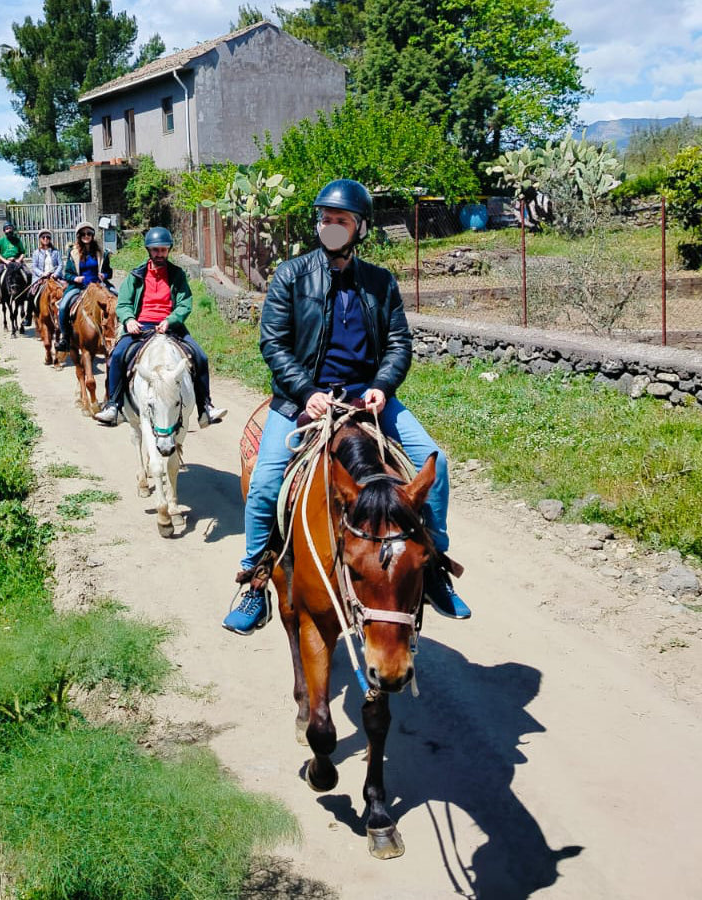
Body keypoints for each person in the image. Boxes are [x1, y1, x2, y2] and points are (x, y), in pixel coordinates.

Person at [221, 178, 470, 636]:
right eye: (325, 219)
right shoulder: (290, 276)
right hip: (304, 400)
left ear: (360, 227)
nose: (330, 226)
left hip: (368, 399)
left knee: (437, 464)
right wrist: (305, 391)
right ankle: (254, 580)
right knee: (265, 483)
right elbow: (273, 343)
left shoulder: (380, 282)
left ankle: (433, 565)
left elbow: (398, 342)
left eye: (341, 220)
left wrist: (382, 384)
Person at [92, 226, 227, 428]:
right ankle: (114, 406)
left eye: (164, 250)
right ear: (149, 250)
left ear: (168, 250)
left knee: (200, 357)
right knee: (117, 356)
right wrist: (129, 319)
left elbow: (184, 303)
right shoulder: (136, 275)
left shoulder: (177, 274)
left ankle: (205, 407)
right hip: (141, 325)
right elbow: (123, 304)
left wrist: (171, 320)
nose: (160, 254)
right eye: (156, 250)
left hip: (170, 325)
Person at [53, 221, 110, 353]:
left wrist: (104, 275)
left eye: (89, 233)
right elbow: (66, 274)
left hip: (98, 286)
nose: (86, 236)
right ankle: (65, 338)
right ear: (79, 236)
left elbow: (109, 272)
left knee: (116, 299)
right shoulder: (73, 253)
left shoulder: (102, 252)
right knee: (63, 307)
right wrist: (75, 278)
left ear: (92, 235)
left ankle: (118, 335)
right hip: (79, 287)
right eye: (83, 233)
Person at [0, 221, 26, 297]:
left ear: (13, 230)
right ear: (4, 231)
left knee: (29, 274)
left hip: (17, 262)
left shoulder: (17, 240)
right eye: (7, 229)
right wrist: (5, 261)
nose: (9, 230)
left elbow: (23, 252)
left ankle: (27, 293)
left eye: (10, 228)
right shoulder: (0, 241)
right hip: (4, 262)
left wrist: (19, 260)